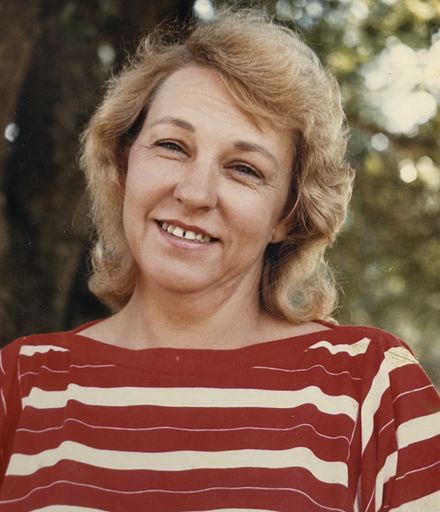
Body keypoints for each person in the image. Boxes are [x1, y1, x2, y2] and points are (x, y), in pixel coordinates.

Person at [0, 7, 439, 512]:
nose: (194, 193)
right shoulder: (22, 385)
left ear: (287, 214)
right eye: (171, 145)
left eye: (244, 169)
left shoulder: (368, 389)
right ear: (124, 163)